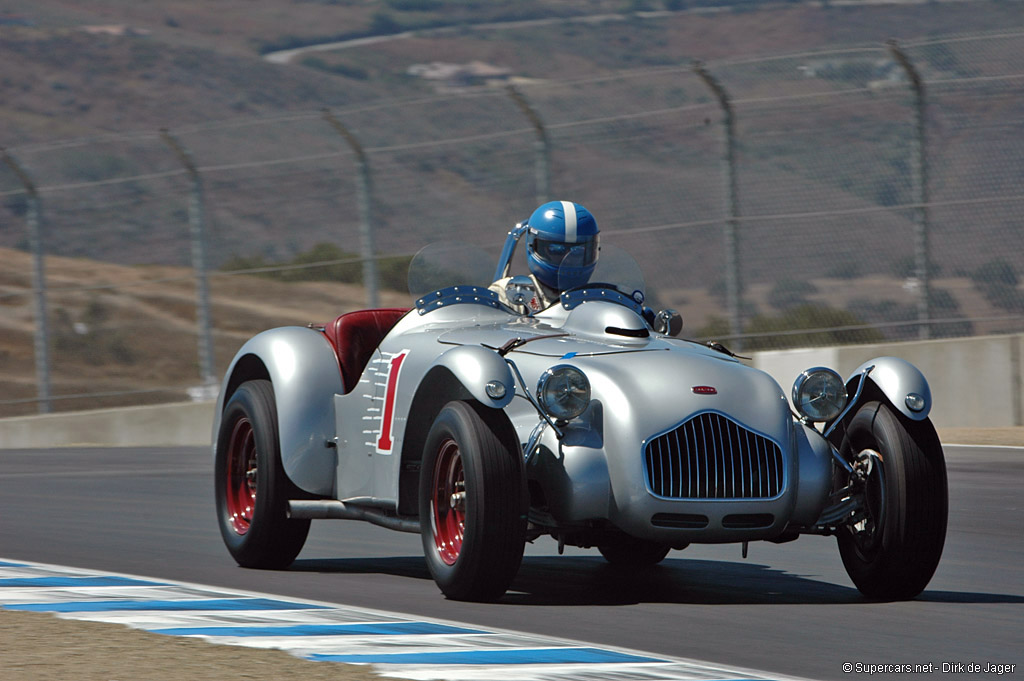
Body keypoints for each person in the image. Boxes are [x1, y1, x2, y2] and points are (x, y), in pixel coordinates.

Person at [490, 200, 599, 313]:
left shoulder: (600, 300)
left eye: (577, 251)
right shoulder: (508, 294)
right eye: (556, 250)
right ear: (533, 246)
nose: (567, 259)